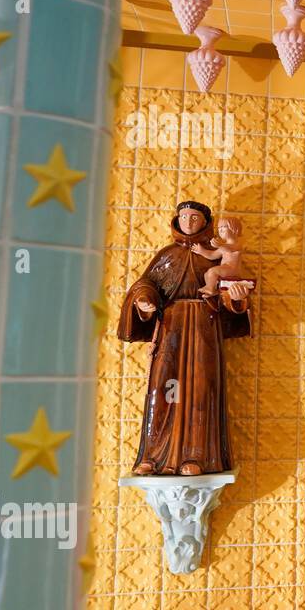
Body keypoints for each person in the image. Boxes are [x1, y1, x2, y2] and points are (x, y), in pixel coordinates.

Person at [117, 200, 252, 476]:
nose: (189, 222)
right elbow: (146, 285)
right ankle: (153, 457)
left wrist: (237, 301)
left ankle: (198, 457)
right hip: (170, 330)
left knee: (200, 390)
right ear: (176, 220)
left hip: (204, 329)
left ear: (206, 222)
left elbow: (229, 292)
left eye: (195, 217)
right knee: (162, 390)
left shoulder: (215, 253)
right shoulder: (167, 256)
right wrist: (143, 301)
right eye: (184, 216)